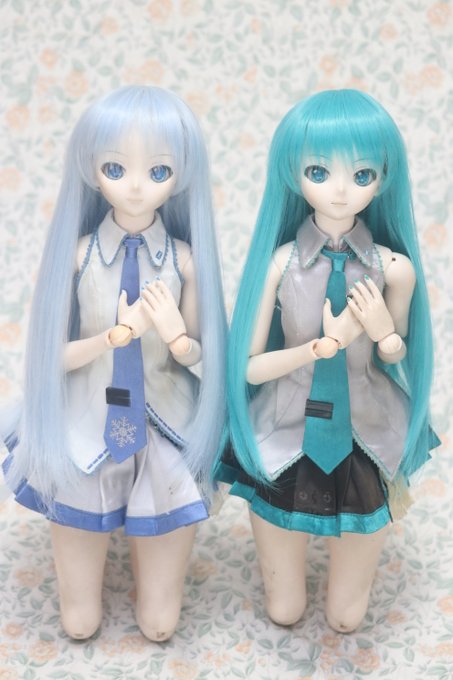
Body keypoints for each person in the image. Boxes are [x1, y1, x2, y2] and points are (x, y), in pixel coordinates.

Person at [2, 85, 226, 641]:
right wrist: (111, 337)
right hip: (84, 420)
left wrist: (177, 338)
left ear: (181, 176)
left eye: (158, 170)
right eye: (115, 168)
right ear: (92, 169)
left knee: (159, 622)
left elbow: (203, 359)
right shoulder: (77, 257)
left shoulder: (185, 262)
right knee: (78, 621)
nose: (135, 186)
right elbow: (51, 357)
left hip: (165, 421)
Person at [217, 89, 438, 633]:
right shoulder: (281, 264)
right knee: (285, 608)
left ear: (384, 178)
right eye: (320, 171)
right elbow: (249, 366)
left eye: (362, 174)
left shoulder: (394, 270)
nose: (340, 191)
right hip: (284, 426)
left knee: (346, 616)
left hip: (364, 425)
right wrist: (314, 350)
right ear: (293, 174)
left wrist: (383, 331)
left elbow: (395, 353)